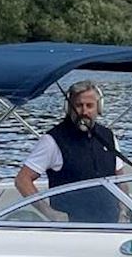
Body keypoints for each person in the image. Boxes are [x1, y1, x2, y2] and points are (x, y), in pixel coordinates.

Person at [15, 80, 125, 223]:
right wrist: (50, 213)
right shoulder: (52, 140)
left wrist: (123, 210)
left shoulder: (108, 136)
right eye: (78, 105)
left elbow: (120, 177)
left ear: (99, 107)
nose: (84, 112)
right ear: (68, 108)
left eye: (89, 106)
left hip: (112, 225)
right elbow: (22, 180)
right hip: (74, 228)